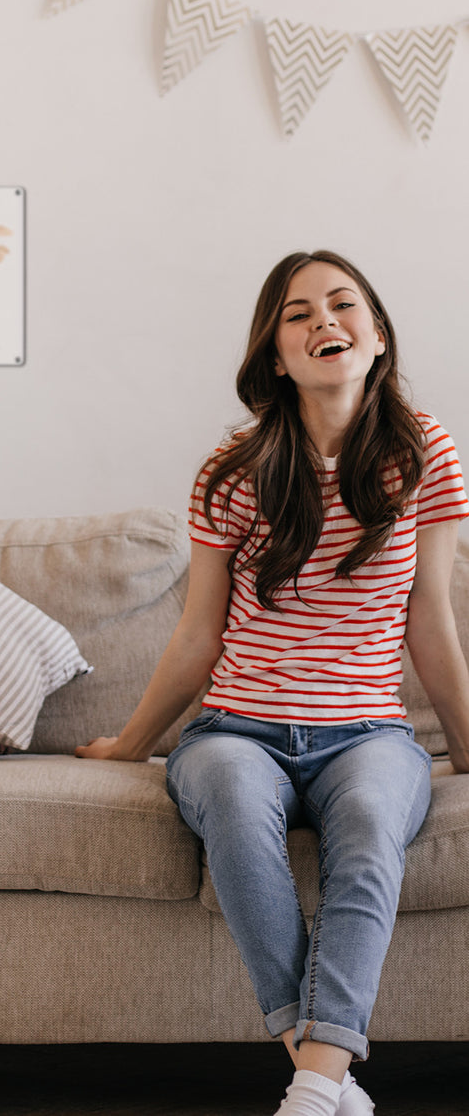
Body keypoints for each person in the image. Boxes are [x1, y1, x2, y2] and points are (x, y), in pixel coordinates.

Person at [76, 250, 469, 1116]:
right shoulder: (233, 468)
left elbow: (429, 620)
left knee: (370, 823)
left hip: (368, 735)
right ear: (276, 355)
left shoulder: (425, 452)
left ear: (376, 340)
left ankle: (313, 1087)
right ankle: (326, 1078)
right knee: (231, 806)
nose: (323, 321)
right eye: (298, 313)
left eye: (342, 305)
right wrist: (132, 745)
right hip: (234, 730)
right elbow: (198, 634)